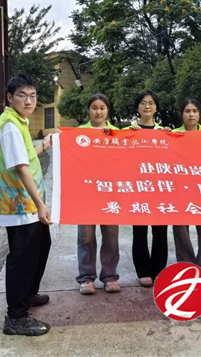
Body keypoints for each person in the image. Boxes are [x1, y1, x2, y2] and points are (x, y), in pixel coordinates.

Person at [0, 75, 52, 336]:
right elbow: (21, 167)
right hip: (19, 205)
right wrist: (40, 204)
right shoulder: (10, 126)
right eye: (22, 95)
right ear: (9, 97)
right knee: (22, 258)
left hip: (26, 204)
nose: (29, 101)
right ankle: (16, 317)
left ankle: (27, 294)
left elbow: (25, 155)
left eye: (33, 95)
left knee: (41, 247)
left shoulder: (18, 122)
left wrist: (46, 144)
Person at [76, 94, 121, 295]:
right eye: (94, 108)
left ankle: (110, 276)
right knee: (85, 236)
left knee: (111, 236)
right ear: (88, 110)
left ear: (107, 110)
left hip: (110, 192)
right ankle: (86, 277)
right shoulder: (78, 134)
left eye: (102, 108)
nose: (98, 112)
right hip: (86, 192)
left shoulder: (117, 133)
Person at [126, 91, 170, 287]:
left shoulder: (164, 132)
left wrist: (171, 137)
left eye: (151, 103)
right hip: (138, 189)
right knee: (139, 231)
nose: (147, 106)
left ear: (156, 108)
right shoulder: (128, 132)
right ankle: (143, 271)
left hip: (159, 189)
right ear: (137, 107)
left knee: (160, 231)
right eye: (143, 103)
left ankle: (159, 270)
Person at [172, 98, 201, 274]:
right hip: (179, 188)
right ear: (181, 114)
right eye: (187, 111)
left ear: (200, 114)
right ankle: (186, 265)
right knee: (180, 228)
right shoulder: (172, 135)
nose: (191, 115)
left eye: (195, 111)